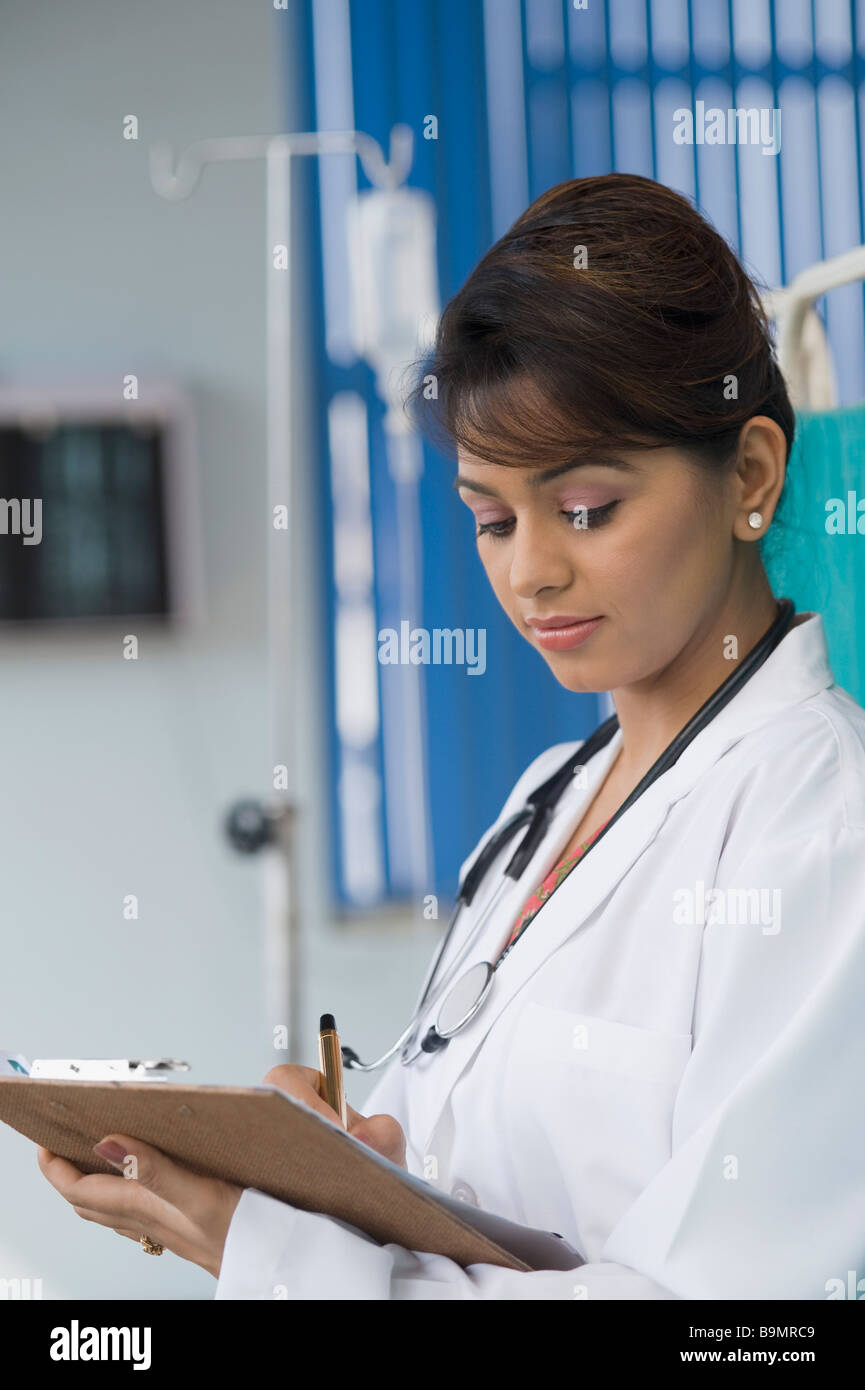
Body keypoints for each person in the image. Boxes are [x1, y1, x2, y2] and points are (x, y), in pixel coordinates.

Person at [38, 173, 865, 1299]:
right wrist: (326, 1172)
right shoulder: (549, 799)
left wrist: (273, 1255)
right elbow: (498, 1206)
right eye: (490, 517)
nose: (530, 570)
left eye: (584, 509)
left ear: (751, 476)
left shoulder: (821, 831)